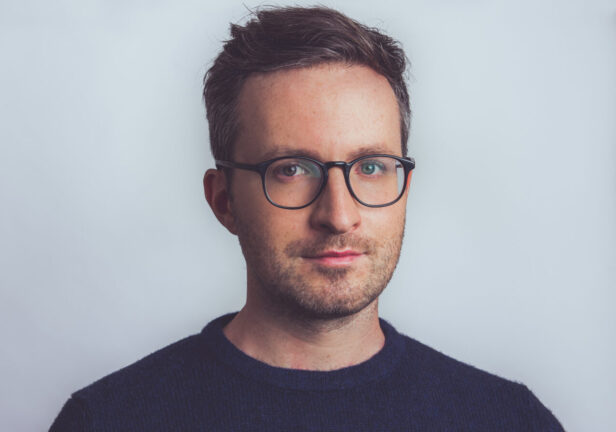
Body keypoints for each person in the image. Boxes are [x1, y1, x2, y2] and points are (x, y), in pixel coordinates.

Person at [49, 6, 563, 431]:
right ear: (223, 199)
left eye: (370, 167)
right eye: (292, 169)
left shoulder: (510, 420)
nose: (339, 214)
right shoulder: (109, 420)